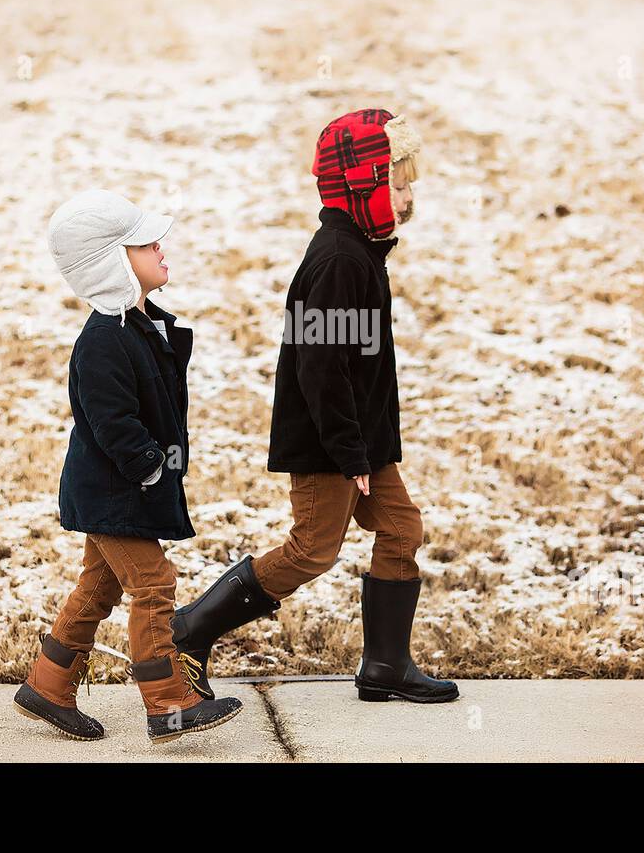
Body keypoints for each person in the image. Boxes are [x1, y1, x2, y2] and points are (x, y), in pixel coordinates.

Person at [172, 109, 459, 705]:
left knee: (402, 529)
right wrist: (351, 452)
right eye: (397, 184)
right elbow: (321, 369)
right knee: (312, 550)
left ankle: (385, 664)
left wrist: (369, 446)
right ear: (362, 186)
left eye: (409, 185)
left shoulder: (360, 250)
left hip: (359, 440)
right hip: (332, 442)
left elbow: (355, 363)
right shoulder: (338, 261)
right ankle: (189, 630)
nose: (407, 198)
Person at [13, 189, 242, 743]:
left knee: (99, 584)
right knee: (154, 583)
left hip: (119, 490)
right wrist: (150, 469)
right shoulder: (103, 340)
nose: (160, 247)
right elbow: (111, 421)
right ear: (114, 261)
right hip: (113, 492)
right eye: (144, 243)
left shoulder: (139, 327)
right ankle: (168, 702)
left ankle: (47, 685)